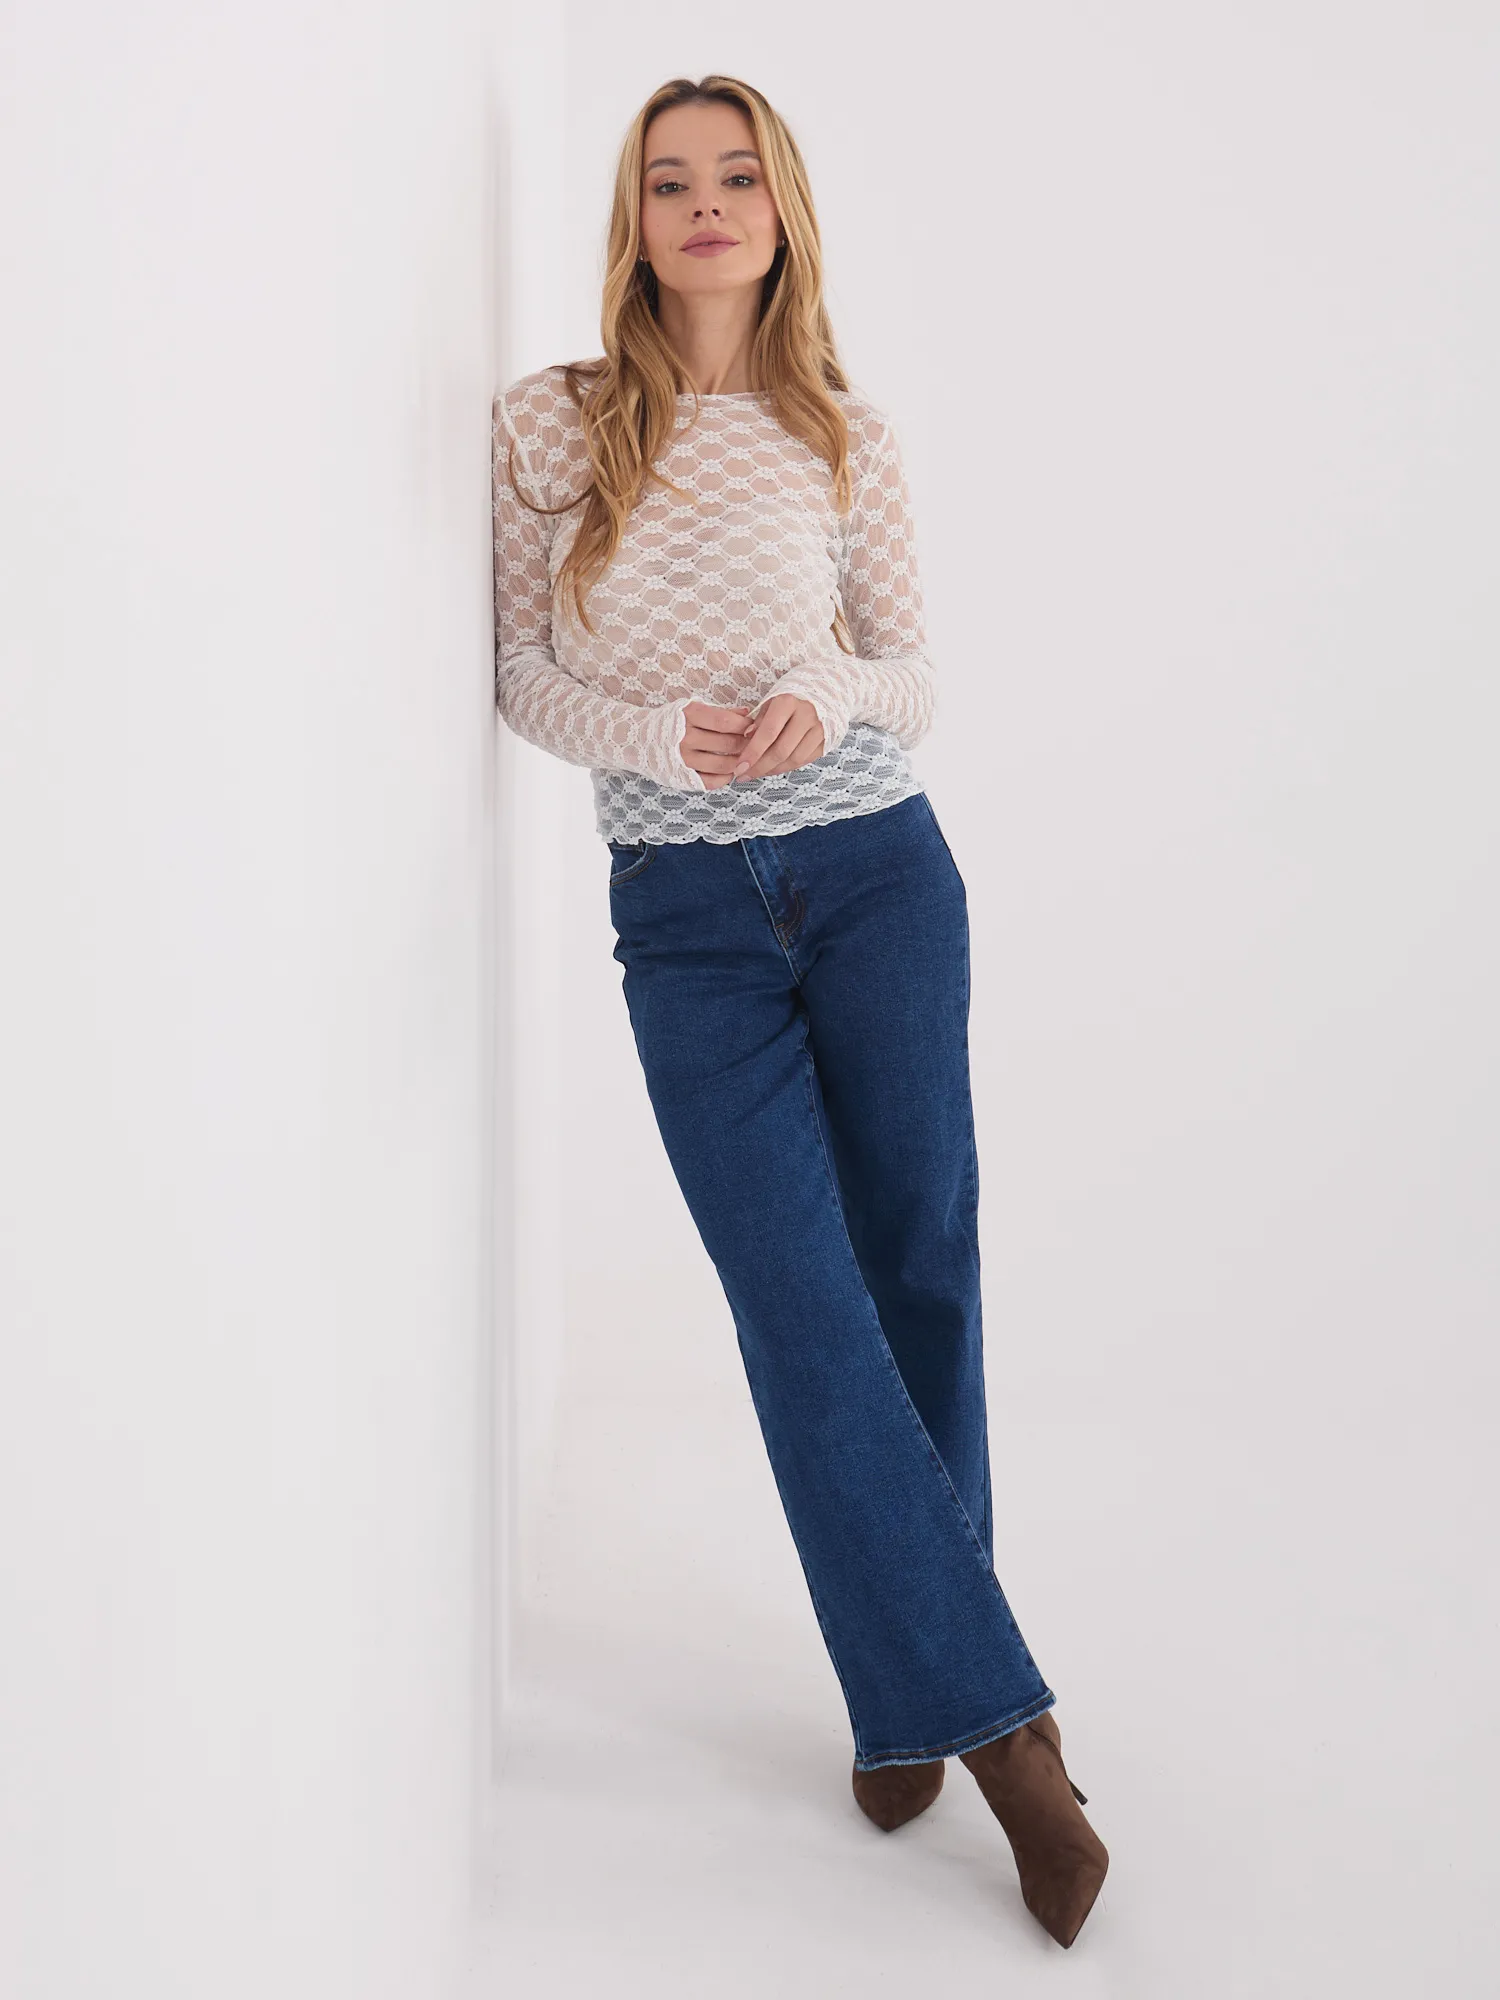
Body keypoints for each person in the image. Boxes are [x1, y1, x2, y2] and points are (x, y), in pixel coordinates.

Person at [491, 72, 1109, 1949]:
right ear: (632, 219)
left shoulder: (846, 432)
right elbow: (515, 668)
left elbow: (913, 678)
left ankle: (907, 1690)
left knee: (921, 1267)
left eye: (737, 177)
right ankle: (1009, 1740)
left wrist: (829, 697)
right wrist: (649, 730)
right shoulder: (553, 424)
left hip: (876, 882)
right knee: (799, 1302)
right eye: (669, 180)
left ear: (782, 212)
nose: (705, 205)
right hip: (685, 920)